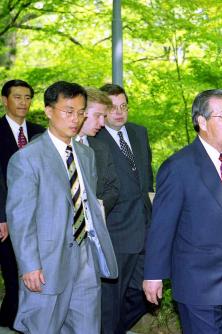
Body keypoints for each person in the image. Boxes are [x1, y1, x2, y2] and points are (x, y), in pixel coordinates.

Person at [143, 89, 222, 334]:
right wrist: (153, 274)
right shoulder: (179, 166)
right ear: (202, 122)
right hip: (197, 281)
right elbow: (162, 226)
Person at [6, 81, 118, 333]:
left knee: (87, 327)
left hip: (85, 255)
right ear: (48, 111)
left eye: (81, 112)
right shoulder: (27, 159)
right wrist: (29, 265)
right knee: (43, 327)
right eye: (68, 111)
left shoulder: (86, 155)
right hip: (46, 261)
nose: (75, 119)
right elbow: (20, 218)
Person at [96, 83, 153, 334]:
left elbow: (147, 180)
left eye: (123, 106)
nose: (119, 112)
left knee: (148, 294)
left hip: (146, 229)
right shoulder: (93, 140)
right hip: (116, 233)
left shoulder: (139, 132)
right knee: (110, 301)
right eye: (112, 108)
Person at [0, 79, 45, 330]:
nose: (23, 102)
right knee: (13, 272)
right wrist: (1, 216)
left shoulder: (40, 132)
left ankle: (18, 320)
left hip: (38, 217)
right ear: (4, 100)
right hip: (6, 217)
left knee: (32, 272)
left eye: (28, 97)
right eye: (17, 97)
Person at [76, 87, 120, 216]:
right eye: (98, 116)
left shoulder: (102, 148)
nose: (102, 123)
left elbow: (113, 188)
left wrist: (94, 212)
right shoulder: (58, 145)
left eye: (104, 117)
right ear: (81, 112)